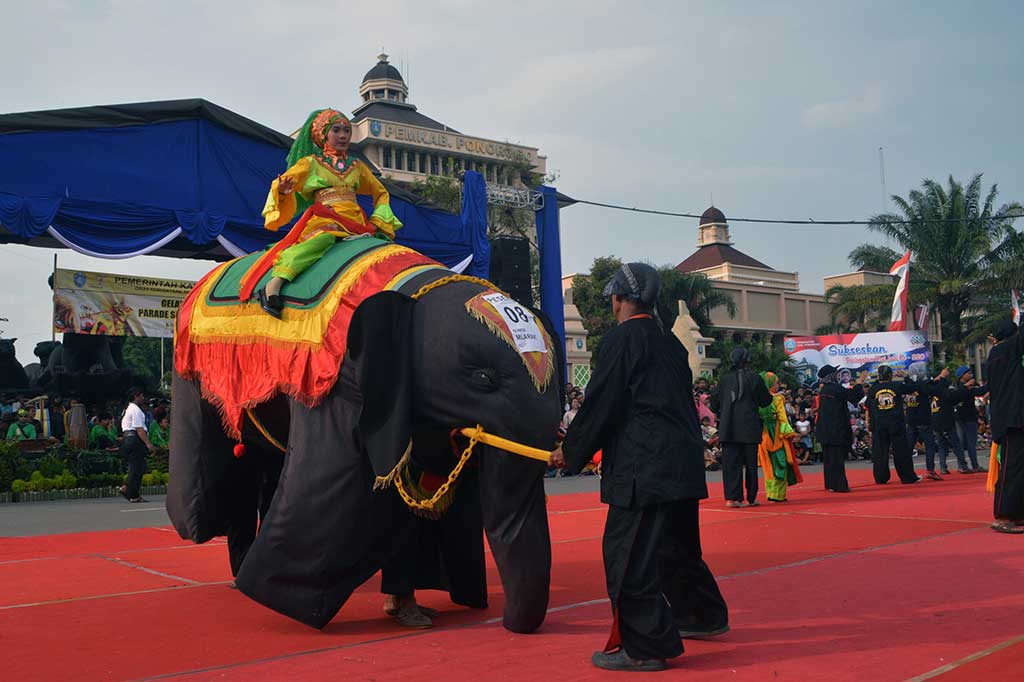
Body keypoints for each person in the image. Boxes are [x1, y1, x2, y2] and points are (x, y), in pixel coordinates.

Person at [552, 262, 728, 672]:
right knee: (675, 548)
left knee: (627, 556)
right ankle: (701, 616)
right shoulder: (670, 345)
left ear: (618, 298)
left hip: (644, 466)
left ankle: (645, 647)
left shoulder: (622, 340)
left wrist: (571, 451)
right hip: (681, 463)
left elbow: (602, 403)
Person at [243, 108, 403, 318]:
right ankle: (275, 283)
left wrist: (379, 218)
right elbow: (282, 182)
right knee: (321, 240)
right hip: (326, 219)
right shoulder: (310, 164)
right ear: (323, 135)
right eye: (336, 130)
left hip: (357, 223)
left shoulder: (357, 166)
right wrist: (282, 190)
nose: (343, 135)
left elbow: (380, 192)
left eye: (346, 130)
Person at [712, 347, 772, 507]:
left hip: (728, 426)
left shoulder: (724, 379)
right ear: (747, 360)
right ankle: (751, 498)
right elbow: (766, 400)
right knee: (751, 464)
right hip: (749, 426)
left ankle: (732, 498)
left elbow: (713, 403)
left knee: (731, 464)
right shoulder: (754, 378)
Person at [983, 320, 1024, 533]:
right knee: (1011, 469)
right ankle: (1004, 515)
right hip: (1011, 418)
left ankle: (1016, 513)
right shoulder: (1008, 349)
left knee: (1017, 469)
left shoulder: (998, 353)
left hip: (1009, 416)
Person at [815, 365, 868, 492]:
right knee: (836, 459)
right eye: (835, 373)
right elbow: (853, 396)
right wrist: (859, 383)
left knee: (829, 459)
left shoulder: (825, 390)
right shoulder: (834, 389)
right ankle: (839, 485)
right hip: (835, 430)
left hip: (825, 430)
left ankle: (831, 484)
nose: (838, 375)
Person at [865, 365, 921, 485]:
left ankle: (881, 478)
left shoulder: (874, 389)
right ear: (890, 375)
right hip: (896, 423)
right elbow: (913, 388)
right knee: (901, 452)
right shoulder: (896, 386)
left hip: (880, 425)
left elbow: (867, 404)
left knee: (880, 453)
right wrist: (906, 377)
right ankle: (907, 477)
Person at [757, 372, 803, 502]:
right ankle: (778, 495)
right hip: (777, 434)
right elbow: (783, 418)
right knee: (781, 462)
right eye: (777, 382)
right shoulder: (778, 399)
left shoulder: (756, 399)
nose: (779, 385)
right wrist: (788, 432)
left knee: (768, 466)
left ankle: (771, 493)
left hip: (763, 434)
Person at [903, 362, 944, 480]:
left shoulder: (908, 384)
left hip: (911, 419)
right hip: (923, 419)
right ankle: (930, 470)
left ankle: (907, 471)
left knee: (909, 447)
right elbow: (933, 390)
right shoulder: (922, 385)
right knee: (930, 445)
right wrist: (941, 379)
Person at [118, 387, 154, 503]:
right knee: (137, 467)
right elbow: (139, 429)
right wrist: (148, 444)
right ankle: (131, 493)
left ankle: (130, 490)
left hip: (128, 439)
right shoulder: (135, 409)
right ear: (135, 396)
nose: (143, 398)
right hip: (134, 440)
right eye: (141, 396)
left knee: (139, 466)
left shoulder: (128, 408)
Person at [953, 366, 989, 473]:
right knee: (969, 443)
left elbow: (981, 391)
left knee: (964, 442)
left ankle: (964, 465)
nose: (970, 375)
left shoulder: (959, 387)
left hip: (961, 417)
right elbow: (980, 391)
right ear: (962, 375)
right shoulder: (963, 388)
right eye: (968, 373)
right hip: (966, 417)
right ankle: (972, 465)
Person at [930, 374, 966, 474]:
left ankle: (942, 467)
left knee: (941, 445)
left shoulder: (932, 392)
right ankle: (962, 465)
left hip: (936, 421)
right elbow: (955, 398)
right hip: (947, 421)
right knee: (956, 444)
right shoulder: (945, 392)